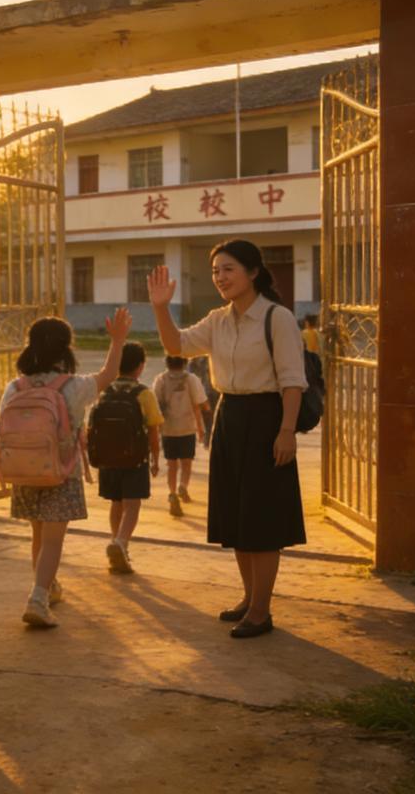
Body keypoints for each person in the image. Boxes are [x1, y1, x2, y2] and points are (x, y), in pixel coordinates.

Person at [147, 240, 307, 640]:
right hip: (230, 417)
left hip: (268, 418)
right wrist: (161, 308)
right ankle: (249, 597)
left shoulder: (278, 318)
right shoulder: (218, 320)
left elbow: (292, 381)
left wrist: (286, 431)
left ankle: (260, 610)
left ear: (253, 272)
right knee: (237, 516)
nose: (220, 277)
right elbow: (176, 345)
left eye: (229, 269)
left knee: (263, 518)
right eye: (216, 271)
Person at [0, 309, 131, 628]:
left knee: (38, 534)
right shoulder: (74, 386)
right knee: (53, 539)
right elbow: (108, 375)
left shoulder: (14, 388)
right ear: (65, 349)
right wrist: (117, 341)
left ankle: (48, 587)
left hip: (25, 472)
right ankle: (38, 597)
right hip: (62, 472)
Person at [94, 341, 163, 574]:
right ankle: (121, 543)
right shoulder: (143, 393)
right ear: (140, 366)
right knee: (132, 505)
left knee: (116, 502)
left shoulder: (105, 390)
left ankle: (117, 542)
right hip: (135, 459)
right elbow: (153, 429)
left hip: (108, 458)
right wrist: (155, 459)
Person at [152, 355, 209, 517]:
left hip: (168, 429)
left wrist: (157, 429)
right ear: (184, 362)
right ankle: (182, 486)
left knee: (172, 465)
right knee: (186, 463)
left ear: (167, 362)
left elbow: (156, 405)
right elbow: (198, 404)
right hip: (187, 428)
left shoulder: (160, 380)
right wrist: (200, 428)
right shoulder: (191, 379)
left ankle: (171, 493)